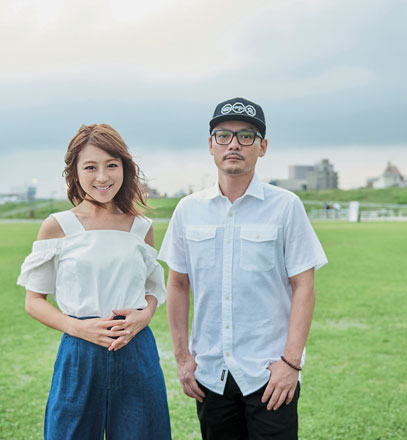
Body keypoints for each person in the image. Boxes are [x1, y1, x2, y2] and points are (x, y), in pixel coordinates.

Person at [159, 97, 328, 440]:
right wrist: (182, 358)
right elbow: (177, 285)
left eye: (246, 136)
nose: (234, 144)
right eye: (223, 135)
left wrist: (291, 363)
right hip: (210, 374)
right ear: (211, 145)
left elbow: (304, 287)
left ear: (262, 147)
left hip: (270, 375)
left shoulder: (286, 207)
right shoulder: (188, 209)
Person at [17, 123, 172, 440]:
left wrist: (145, 315)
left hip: (136, 349)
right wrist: (78, 328)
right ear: (74, 172)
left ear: (124, 168)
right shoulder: (58, 226)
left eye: (111, 165)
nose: (102, 177)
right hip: (79, 353)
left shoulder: (141, 227)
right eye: (90, 167)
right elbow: (34, 301)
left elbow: (151, 289)